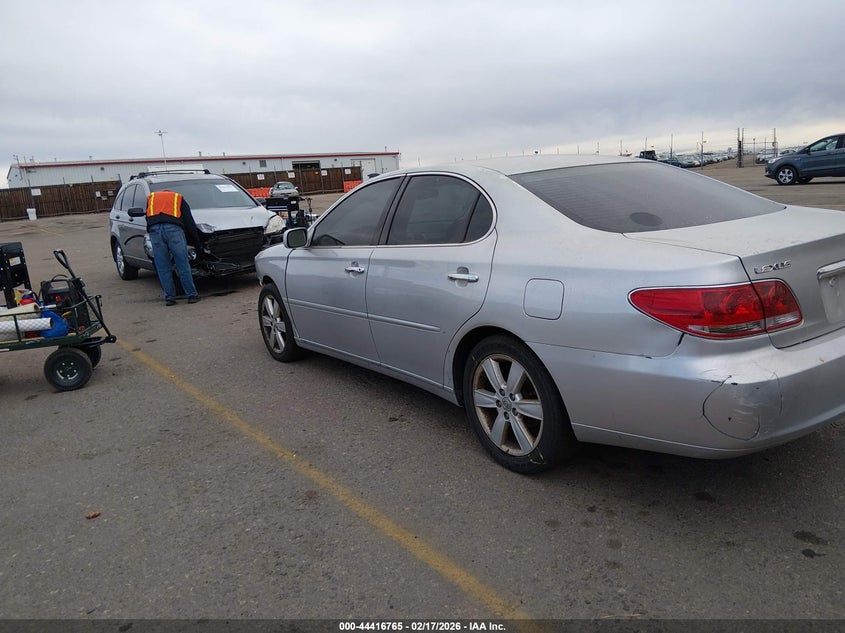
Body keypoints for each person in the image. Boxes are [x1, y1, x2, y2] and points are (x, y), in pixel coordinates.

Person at [145, 190, 201, 306]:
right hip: (173, 230)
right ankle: (191, 295)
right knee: (182, 264)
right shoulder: (178, 198)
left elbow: (147, 217)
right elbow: (189, 222)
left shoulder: (151, 198)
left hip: (155, 231)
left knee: (163, 266)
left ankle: (170, 298)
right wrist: (197, 244)